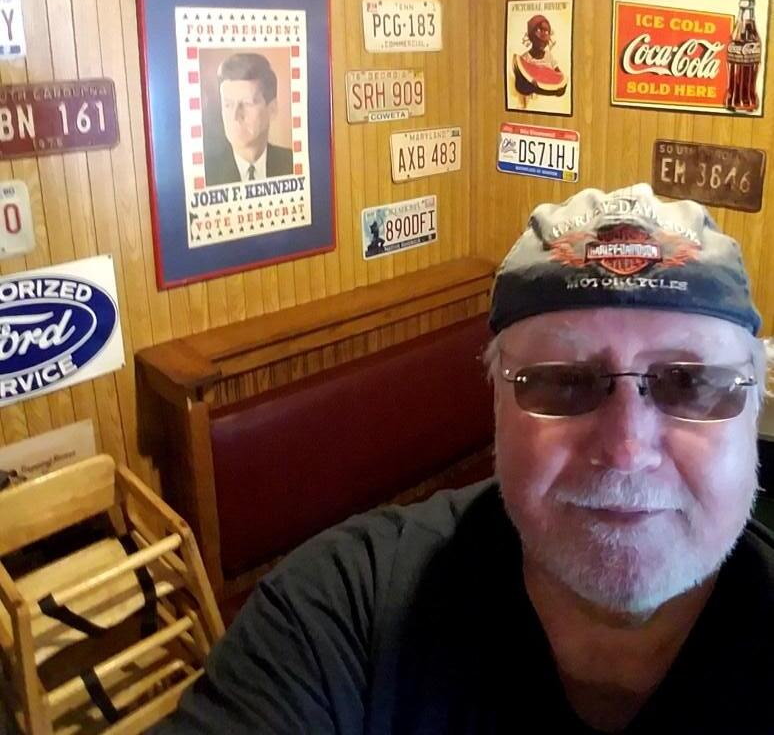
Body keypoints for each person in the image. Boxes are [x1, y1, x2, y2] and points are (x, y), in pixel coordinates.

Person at [154, 184, 773, 734]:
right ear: (495, 402)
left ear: (754, 409)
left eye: (690, 384)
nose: (627, 450)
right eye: (564, 381)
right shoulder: (343, 613)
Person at [204, 52, 293, 185]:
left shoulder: (292, 163)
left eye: (247, 103)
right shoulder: (206, 173)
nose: (235, 116)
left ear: (272, 109)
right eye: (228, 105)